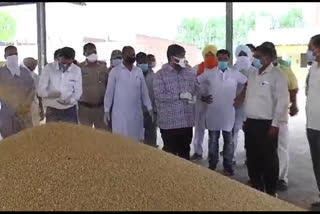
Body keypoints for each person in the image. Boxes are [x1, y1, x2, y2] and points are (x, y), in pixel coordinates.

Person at [243, 45, 289, 197]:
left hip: (267, 124)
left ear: (267, 57)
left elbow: (282, 101)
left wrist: (275, 124)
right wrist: (245, 119)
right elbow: (248, 97)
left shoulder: (278, 75)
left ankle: (270, 191)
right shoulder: (253, 74)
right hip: (251, 122)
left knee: (269, 159)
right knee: (252, 157)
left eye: (257, 57)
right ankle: (257, 187)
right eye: (254, 57)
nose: (255, 60)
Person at [153, 44, 212, 160]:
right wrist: (179, 95)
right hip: (169, 123)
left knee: (185, 153)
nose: (184, 59)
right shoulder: (160, 75)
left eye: (184, 56)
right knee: (169, 156)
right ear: (172, 58)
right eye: (181, 56)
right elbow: (159, 96)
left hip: (186, 121)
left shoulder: (189, 72)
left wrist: (199, 95)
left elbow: (196, 87)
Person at [198, 49, 247, 176]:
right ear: (217, 59)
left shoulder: (235, 74)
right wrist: (201, 97)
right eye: (220, 59)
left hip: (228, 113)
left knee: (229, 142)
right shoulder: (209, 73)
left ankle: (228, 166)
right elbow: (195, 83)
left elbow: (248, 83)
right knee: (213, 140)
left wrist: (240, 97)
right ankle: (212, 164)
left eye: (225, 59)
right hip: (213, 112)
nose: (222, 61)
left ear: (229, 59)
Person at [260, 41, 299, 191]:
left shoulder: (284, 70)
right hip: (263, 117)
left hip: (281, 116)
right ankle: (265, 175)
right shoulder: (258, 71)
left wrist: (294, 105)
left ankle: (281, 178)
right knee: (265, 147)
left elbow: (294, 88)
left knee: (281, 148)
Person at [104, 46, 153, 142]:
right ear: (123, 55)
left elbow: (144, 91)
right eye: (129, 54)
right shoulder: (115, 72)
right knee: (121, 142)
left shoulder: (138, 71)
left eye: (133, 54)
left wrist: (149, 107)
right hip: (120, 116)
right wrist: (106, 110)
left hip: (136, 114)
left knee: (137, 142)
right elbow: (109, 93)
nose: (132, 56)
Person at [38, 47, 82, 124]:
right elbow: (40, 91)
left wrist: (70, 100)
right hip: (52, 109)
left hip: (70, 109)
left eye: (68, 64)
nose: (65, 66)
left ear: (72, 60)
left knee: (71, 134)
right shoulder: (48, 68)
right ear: (58, 58)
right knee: (52, 134)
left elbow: (78, 91)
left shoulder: (76, 70)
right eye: (63, 63)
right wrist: (50, 94)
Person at [190, 45, 218, 161]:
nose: (210, 57)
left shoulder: (220, 70)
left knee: (214, 128)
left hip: (215, 102)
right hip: (200, 102)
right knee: (199, 128)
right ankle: (198, 151)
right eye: (207, 55)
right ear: (203, 55)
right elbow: (191, 86)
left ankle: (213, 155)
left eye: (212, 55)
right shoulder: (197, 68)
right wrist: (201, 97)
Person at [231, 45, 258, 165]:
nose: (242, 57)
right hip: (235, 106)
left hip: (250, 107)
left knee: (250, 135)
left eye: (245, 54)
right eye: (240, 54)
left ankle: (250, 157)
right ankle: (231, 158)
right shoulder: (232, 70)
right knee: (233, 133)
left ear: (249, 56)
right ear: (236, 55)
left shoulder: (255, 71)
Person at [0, 46, 35, 130]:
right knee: (9, 140)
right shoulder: (1, 73)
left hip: (24, 114)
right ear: (5, 57)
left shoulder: (25, 72)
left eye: (15, 54)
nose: (14, 56)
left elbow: (32, 90)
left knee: (25, 139)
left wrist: (26, 104)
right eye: (10, 54)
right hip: (7, 115)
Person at [78, 43, 108, 130]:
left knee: (101, 137)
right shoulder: (79, 68)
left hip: (100, 108)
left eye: (94, 51)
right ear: (84, 53)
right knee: (85, 137)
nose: (93, 54)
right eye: (89, 52)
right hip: (84, 109)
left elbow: (108, 84)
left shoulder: (103, 67)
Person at [306, 34, 320, 209]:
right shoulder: (313, 68)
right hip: (312, 124)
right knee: (317, 163)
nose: (310, 51)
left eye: (312, 47)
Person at [136, 52, 157, 147]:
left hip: (151, 112)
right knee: (138, 138)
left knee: (151, 136)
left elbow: (156, 94)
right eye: (140, 62)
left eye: (144, 61)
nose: (143, 63)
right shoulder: (133, 74)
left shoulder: (154, 76)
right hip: (137, 112)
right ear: (137, 63)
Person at [21, 57, 44, 126]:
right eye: (34, 65)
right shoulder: (34, 77)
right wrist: (41, 108)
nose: (35, 67)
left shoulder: (35, 76)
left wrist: (41, 108)